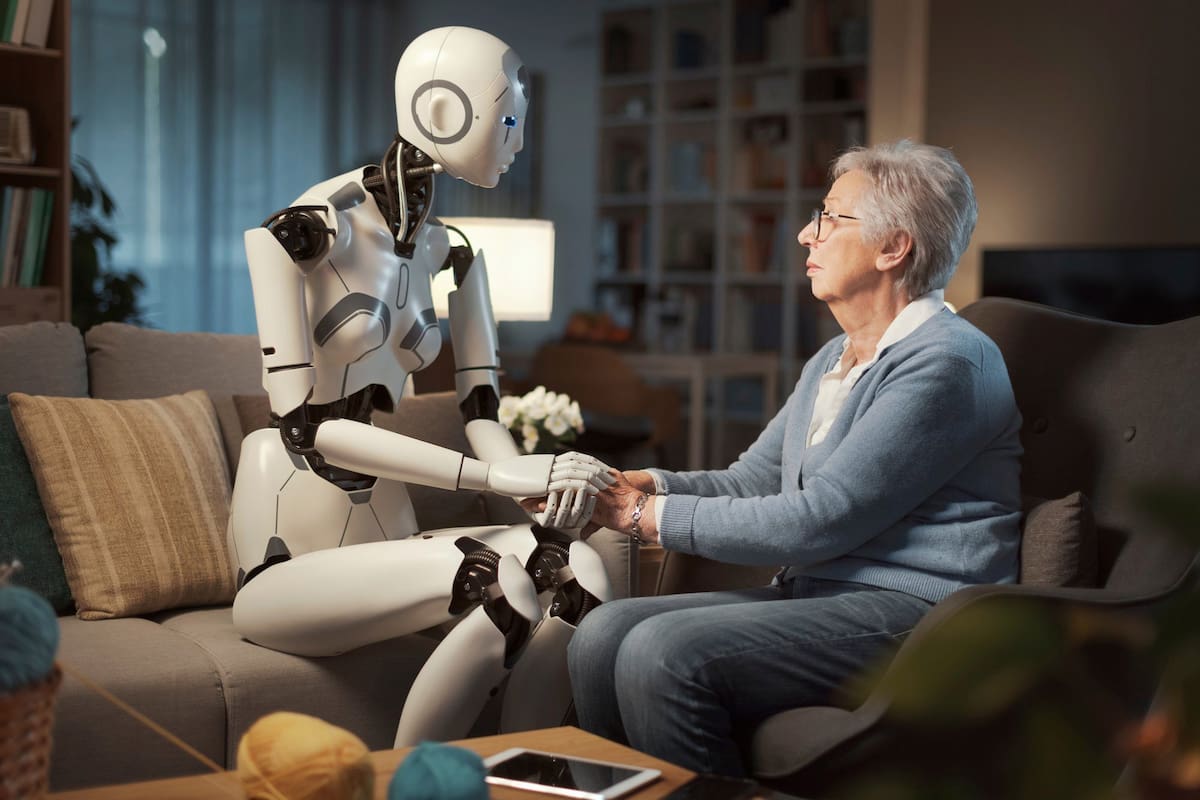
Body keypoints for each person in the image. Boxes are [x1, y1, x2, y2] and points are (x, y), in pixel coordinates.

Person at [554, 140, 1023, 776]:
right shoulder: (833, 360)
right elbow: (756, 479)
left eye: (830, 219)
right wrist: (648, 481)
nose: (806, 235)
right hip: (821, 593)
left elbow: (819, 519)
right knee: (600, 637)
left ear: (893, 248)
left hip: (920, 615)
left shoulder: (947, 364)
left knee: (661, 651)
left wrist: (643, 515)